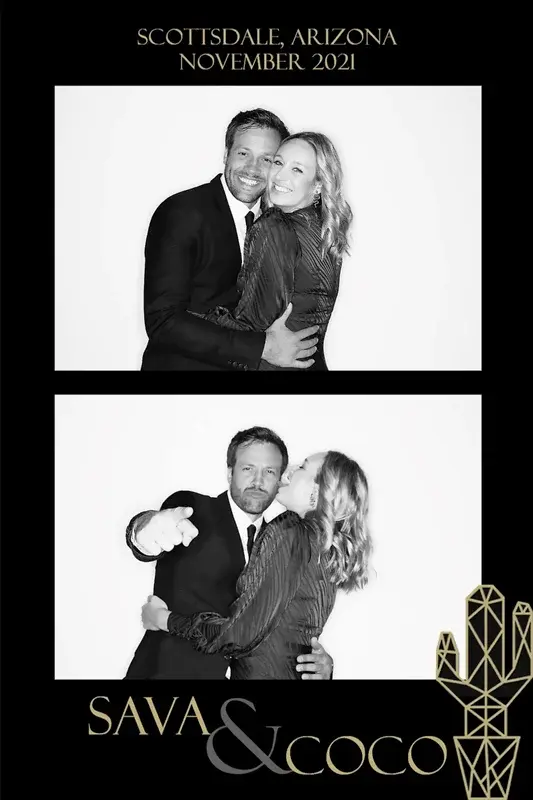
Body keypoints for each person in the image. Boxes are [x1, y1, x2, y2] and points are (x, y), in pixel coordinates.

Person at [124, 426, 334, 679]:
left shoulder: (287, 544)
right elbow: (152, 534)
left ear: (280, 479)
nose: (258, 481)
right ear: (229, 472)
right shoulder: (194, 509)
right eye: (248, 469)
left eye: (269, 471)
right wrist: (143, 531)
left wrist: (321, 667)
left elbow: (279, 631)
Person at [140, 108, 319, 371]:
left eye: (267, 159)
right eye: (243, 153)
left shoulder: (279, 223)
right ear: (226, 155)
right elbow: (163, 321)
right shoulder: (182, 212)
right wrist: (262, 347)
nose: (252, 168)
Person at [194, 132, 353, 371]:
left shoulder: (274, 228)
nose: (280, 175)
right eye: (278, 162)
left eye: (297, 170)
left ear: (319, 184)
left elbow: (253, 327)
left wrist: (197, 317)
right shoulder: (325, 232)